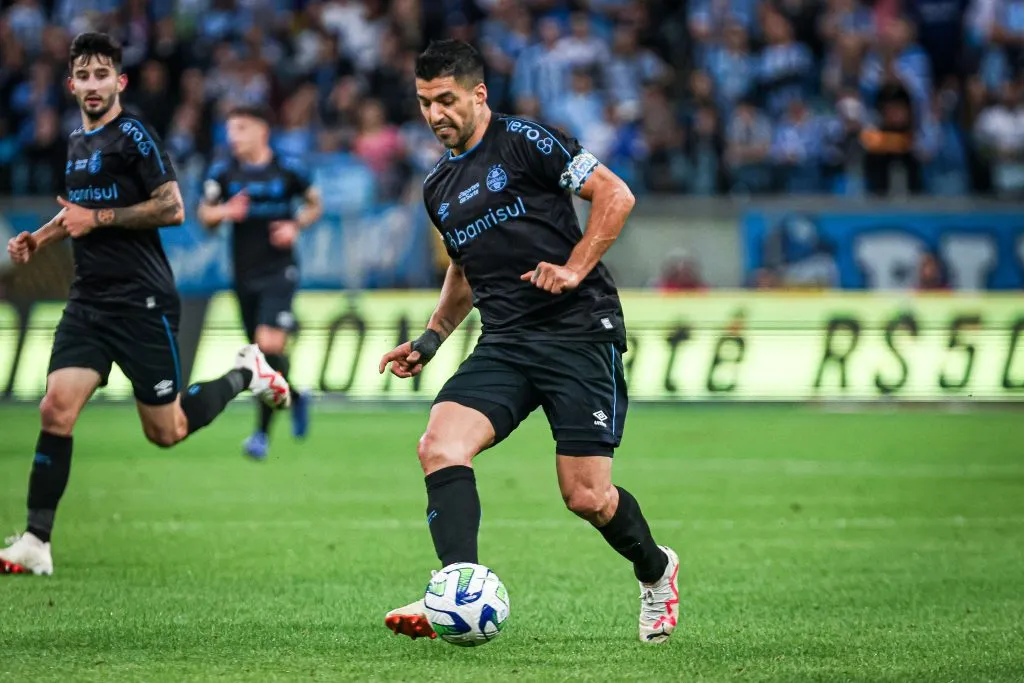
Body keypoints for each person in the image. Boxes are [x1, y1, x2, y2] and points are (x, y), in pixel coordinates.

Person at [378, 40, 679, 644]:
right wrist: (433, 339)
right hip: (507, 341)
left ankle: (657, 570)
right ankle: (457, 589)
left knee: (587, 496)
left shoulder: (526, 140)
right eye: (424, 103)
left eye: (446, 100)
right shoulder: (437, 187)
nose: (435, 114)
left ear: (478, 94)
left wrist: (572, 267)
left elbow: (615, 195)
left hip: (577, 332)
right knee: (439, 445)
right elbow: (464, 270)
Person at [0, 33, 290, 577]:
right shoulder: (74, 144)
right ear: (71, 85)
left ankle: (243, 373)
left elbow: (173, 207)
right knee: (54, 409)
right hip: (89, 300)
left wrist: (100, 220)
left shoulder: (134, 135)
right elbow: (77, 213)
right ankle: (36, 540)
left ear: (119, 82)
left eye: (101, 74)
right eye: (82, 76)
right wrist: (39, 238)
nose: (92, 85)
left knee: (167, 431)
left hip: (143, 300)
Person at [197, 106, 323, 460]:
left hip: (280, 271)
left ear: (261, 130)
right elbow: (204, 215)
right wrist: (225, 213)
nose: (233, 137)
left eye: (240, 128)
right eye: (230, 130)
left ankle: (260, 437)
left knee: (267, 344)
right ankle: (295, 396)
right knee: (261, 355)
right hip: (243, 275)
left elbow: (315, 204)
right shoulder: (223, 172)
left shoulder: (288, 168)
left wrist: (295, 226)